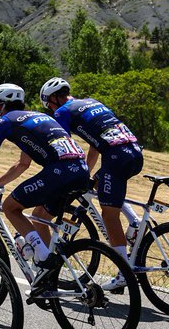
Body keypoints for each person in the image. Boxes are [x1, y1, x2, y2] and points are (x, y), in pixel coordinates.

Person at [0, 83, 90, 288]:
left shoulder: (4, 122)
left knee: (10, 207)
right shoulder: (38, 117)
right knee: (40, 217)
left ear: (1, 105)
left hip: (61, 171)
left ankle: (44, 257)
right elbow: (23, 164)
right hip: (81, 170)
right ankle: (48, 277)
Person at [41, 77, 144, 260]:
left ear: (54, 99)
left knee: (109, 215)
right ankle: (133, 220)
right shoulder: (92, 102)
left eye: (49, 105)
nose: (51, 109)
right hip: (134, 152)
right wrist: (86, 172)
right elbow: (95, 145)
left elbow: (65, 146)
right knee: (98, 183)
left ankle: (124, 269)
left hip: (116, 157)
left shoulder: (62, 112)